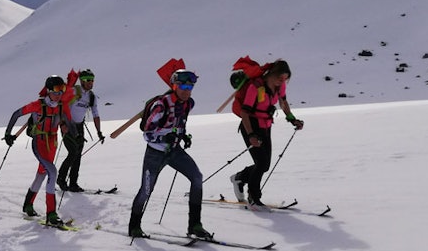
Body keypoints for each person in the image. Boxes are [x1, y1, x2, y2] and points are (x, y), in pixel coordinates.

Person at [128, 69, 213, 240]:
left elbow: (178, 124)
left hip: (174, 151)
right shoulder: (161, 105)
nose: (186, 90)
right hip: (155, 154)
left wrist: (183, 136)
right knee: (146, 190)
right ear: (174, 85)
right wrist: (165, 136)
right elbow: (147, 133)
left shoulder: (188, 104)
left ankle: (195, 225)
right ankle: (134, 227)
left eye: (190, 87)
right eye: (183, 86)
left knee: (197, 177)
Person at [231, 59, 304, 207]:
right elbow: (245, 112)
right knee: (261, 162)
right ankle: (254, 196)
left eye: (285, 78)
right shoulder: (255, 87)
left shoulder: (279, 87)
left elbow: (283, 102)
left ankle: (239, 178)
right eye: (280, 77)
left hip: (265, 127)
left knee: (264, 166)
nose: (282, 81)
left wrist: (292, 119)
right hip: (250, 126)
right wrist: (251, 135)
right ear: (272, 73)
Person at [3, 75, 71, 226]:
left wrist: (65, 126)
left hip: (52, 143)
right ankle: (51, 213)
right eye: (57, 90)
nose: (59, 94)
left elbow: (64, 120)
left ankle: (28, 204)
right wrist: (8, 134)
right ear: (48, 90)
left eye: (62, 90)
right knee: (52, 172)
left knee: (41, 174)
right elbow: (16, 114)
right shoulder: (38, 105)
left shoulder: (60, 106)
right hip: (39, 143)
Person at [58, 68, 105, 192]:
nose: (91, 82)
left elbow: (95, 114)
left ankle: (73, 183)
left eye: (92, 80)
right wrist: (62, 123)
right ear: (82, 81)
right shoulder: (73, 91)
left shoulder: (91, 96)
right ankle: (61, 179)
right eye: (88, 80)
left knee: (77, 155)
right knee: (73, 153)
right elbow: (62, 107)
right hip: (67, 125)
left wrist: (99, 132)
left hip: (79, 127)